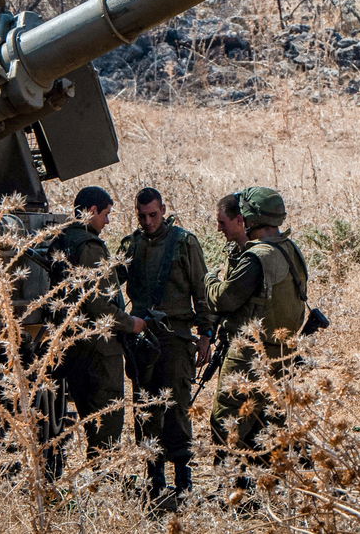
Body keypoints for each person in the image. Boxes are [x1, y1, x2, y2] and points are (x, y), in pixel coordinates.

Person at [119, 187, 216, 502]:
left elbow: (201, 289)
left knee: (176, 408)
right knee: (146, 410)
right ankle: (154, 480)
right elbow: (109, 283)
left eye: (153, 215)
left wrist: (206, 334)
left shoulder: (184, 242)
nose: (148, 221)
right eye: (142, 216)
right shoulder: (131, 245)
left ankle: (184, 482)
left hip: (175, 337)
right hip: (142, 339)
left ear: (163, 210)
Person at [207, 186, 309, 473]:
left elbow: (225, 299)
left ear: (250, 218)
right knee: (269, 422)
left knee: (226, 419)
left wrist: (210, 280)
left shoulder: (256, 257)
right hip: (285, 353)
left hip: (252, 352)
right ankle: (267, 486)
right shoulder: (289, 249)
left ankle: (234, 485)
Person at [56, 185, 145, 459]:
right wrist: (131, 323)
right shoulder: (89, 246)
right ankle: (102, 481)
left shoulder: (61, 239)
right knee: (107, 422)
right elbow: (98, 305)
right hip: (99, 348)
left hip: (72, 343)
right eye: (106, 214)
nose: (107, 221)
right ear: (92, 210)